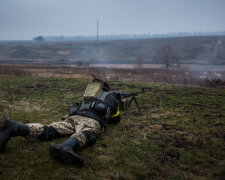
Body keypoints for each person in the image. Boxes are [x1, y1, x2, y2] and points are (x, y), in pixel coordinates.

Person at [0, 78, 120, 166]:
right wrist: (117, 102)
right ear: (108, 90)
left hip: (73, 117)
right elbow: (115, 119)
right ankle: (67, 146)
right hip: (91, 120)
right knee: (87, 133)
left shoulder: (88, 96)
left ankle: (14, 127)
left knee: (51, 130)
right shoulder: (110, 98)